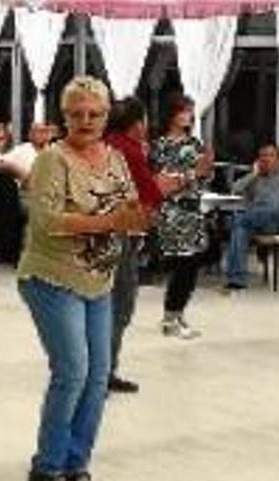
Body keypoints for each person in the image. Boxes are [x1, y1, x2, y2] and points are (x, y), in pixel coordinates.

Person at [18, 77, 151, 481]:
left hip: (99, 280)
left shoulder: (114, 157)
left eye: (95, 114)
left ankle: (77, 464)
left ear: (107, 116)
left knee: (98, 377)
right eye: (77, 114)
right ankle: (48, 466)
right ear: (65, 117)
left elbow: (129, 204)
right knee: (73, 372)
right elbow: (47, 221)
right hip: (51, 277)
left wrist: (137, 215)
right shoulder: (51, 160)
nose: (86, 121)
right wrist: (110, 222)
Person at [103, 96, 181, 394]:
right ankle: (104, 372)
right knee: (121, 303)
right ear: (137, 124)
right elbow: (150, 193)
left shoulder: (107, 144)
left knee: (101, 303)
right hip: (119, 230)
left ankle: (97, 370)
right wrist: (182, 179)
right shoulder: (129, 149)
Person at [153, 93, 215, 339]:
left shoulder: (195, 144)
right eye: (184, 111)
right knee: (183, 266)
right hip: (173, 213)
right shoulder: (161, 146)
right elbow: (163, 182)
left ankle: (177, 313)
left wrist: (206, 169)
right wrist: (193, 173)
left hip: (193, 212)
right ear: (173, 114)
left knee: (191, 266)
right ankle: (170, 317)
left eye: (190, 111)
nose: (189, 116)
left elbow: (204, 176)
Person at [223, 144, 279, 290]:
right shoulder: (255, 179)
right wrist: (253, 174)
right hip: (259, 223)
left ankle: (237, 220)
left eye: (270, 155)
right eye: (262, 156)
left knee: (272, 208)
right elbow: (234, 189)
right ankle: (237, 279)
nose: (266, 159)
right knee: (240, 228)